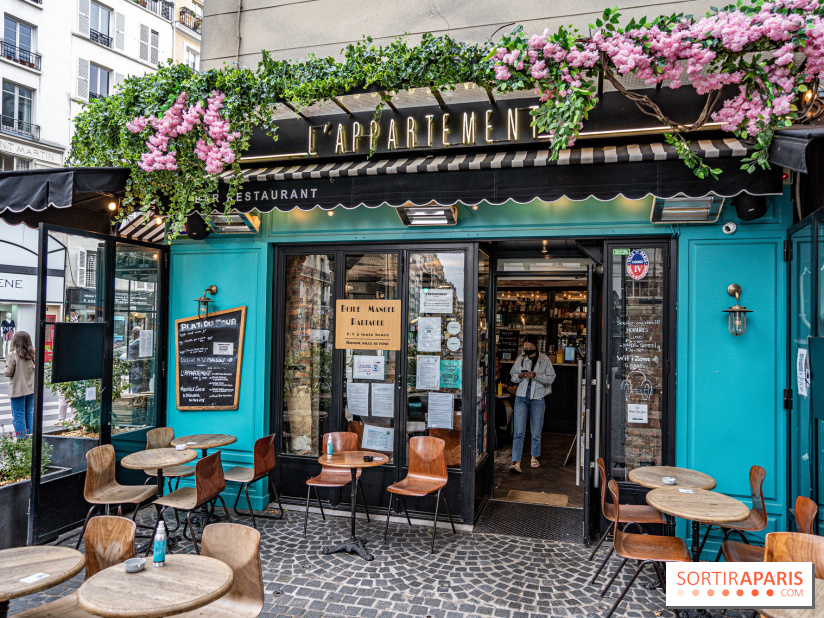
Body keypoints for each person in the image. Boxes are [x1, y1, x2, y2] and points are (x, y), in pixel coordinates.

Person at [509, 334, 556, 473]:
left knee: (536, 430)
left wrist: (536, 376)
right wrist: (519, 376)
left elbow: (551, 378)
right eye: (525, 348)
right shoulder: (520, 359)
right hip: (521, 396)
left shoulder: (544, 359)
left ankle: (534, 456)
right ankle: (516, 461)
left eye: (530, 348)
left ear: (536, 346)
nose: (527, 350)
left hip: (538, 397)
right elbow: (512, 376)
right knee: (518, 431)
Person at [4, 331, 36, 435]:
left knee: (18, 415)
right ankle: (30, 438)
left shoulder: (13, 355)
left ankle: (22, 439)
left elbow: (8, 372)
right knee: (29, 414)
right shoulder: (33, 353)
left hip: (18, 389)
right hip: (31, 388)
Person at [122, 326, 145, 393]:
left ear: (134, 335)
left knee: (136, 389)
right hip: (143, 370)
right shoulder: (145, 344)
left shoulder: (133, 345)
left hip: (136, 370)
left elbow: (129, 358)